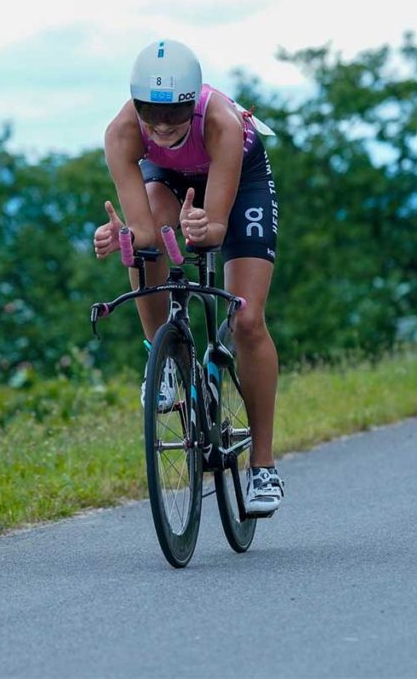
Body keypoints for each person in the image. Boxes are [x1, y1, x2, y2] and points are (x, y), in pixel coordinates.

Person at [93, 39, 284, 515]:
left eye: (174, 114)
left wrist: (203, 226)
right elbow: (139, 230)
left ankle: (263, 466)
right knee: (148, 241)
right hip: (171, 179)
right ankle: (163, 358)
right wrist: (116, 234)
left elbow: (216, 228)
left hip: (239, 185)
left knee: (247, 320)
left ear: (192, 101)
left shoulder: (218, 120)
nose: (160, 126)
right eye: (148, 114)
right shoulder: (121, 134)